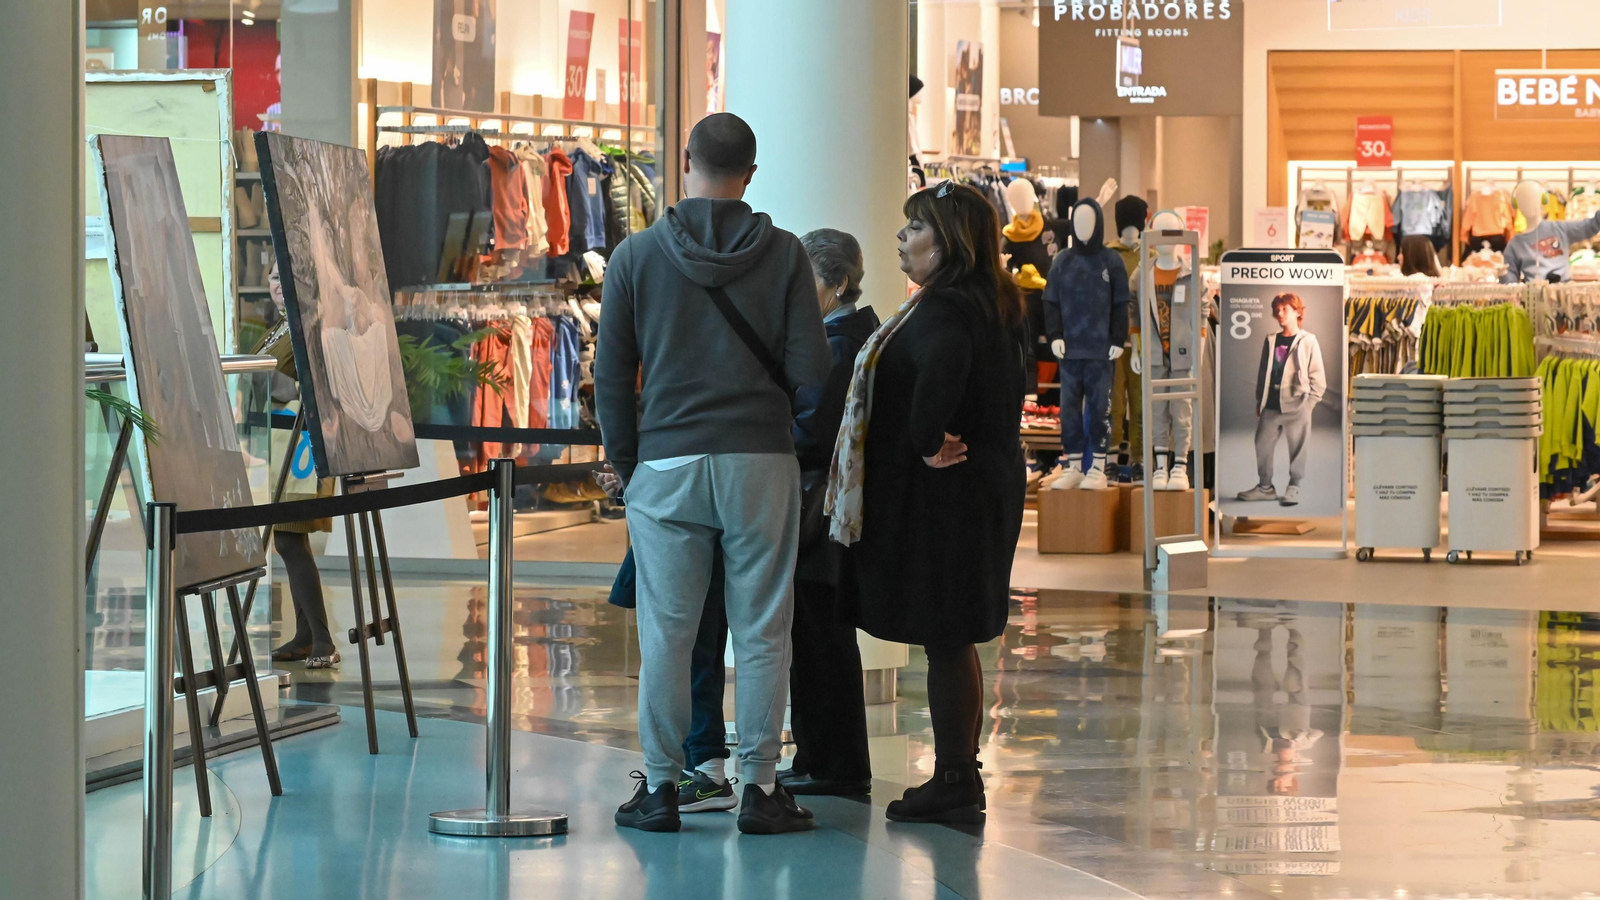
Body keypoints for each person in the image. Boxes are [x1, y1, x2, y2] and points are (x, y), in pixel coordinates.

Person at [595, 112, 832, 835]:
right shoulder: (787, 255)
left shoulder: (635, 257)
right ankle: (760, 789)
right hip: (759, 459)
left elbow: (610, 376)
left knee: (669, 631)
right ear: (751, 174)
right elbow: (813, 372)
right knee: (763, 626)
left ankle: (663, 788)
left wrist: (631, 465)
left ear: (685, 158)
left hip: (666, 461)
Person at [826, 181, 1027, 824]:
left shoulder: (945, 312)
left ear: (947, 243)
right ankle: (958, 776)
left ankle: (954, 781)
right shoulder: (988, 302)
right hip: (980, 488)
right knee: (955, 635)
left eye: (915, 227)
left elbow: (935, 388)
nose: (902, 238)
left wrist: (921, 439)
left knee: (947, 634)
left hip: (953, 496)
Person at [781, 229, 880, 797]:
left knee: (820, 635)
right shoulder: (851, 332)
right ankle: (821, 756)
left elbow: (814, 433)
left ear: (838, 281)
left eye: (810, 280)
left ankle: (832, 763)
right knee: (820, 634)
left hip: (818, 504)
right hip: (831, 502)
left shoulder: (837, 341)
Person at [1236, 293, 1326, 508]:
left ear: (1297, 311)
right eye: (1277, 309)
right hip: (1272, 403)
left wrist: (1309, 404)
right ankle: (1265, 487)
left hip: (1298, 404)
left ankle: (1294, 486)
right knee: (1262, 443)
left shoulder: (1308, 341)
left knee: (1298, 446)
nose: (1279, 313)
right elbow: (1262, 372)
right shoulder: (1271, 339)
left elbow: (1318, 377)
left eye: (1285, 309)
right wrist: (1261, 400)